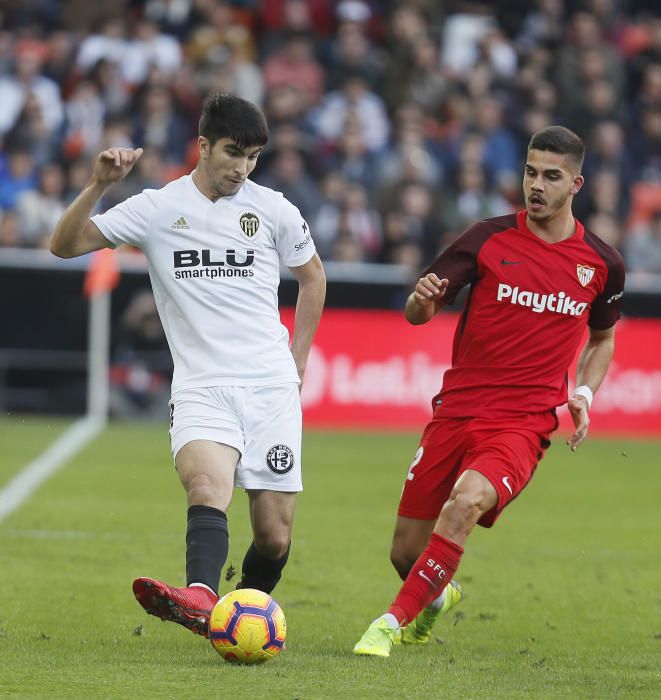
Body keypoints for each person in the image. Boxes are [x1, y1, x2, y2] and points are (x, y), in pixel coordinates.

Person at [50, 93, 326, 637]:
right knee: (206, 484)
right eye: (232, 153)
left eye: (252, 157)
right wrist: (99, 184)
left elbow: (312, 277)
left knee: (273, 536)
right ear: (203, 146)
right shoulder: (158, 208)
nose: (242, 168)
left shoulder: (273, 209)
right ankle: (201, 598)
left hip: (270, 386)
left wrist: (298, 362)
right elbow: (64, 245)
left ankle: (242, 614)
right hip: (202, 385)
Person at [352, 125, 625, 657]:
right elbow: (416, 313)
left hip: (522, 423)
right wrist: (422, 300)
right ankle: (436, 594)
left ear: (577, 184)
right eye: (530, 173)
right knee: (408, 552)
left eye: (551, 176)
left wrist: (585, 395)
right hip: (456, 410)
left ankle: (387, 624)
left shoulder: (601, 262)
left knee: (466, 501)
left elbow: (604, 337)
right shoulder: (487, 237)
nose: (536, 186)